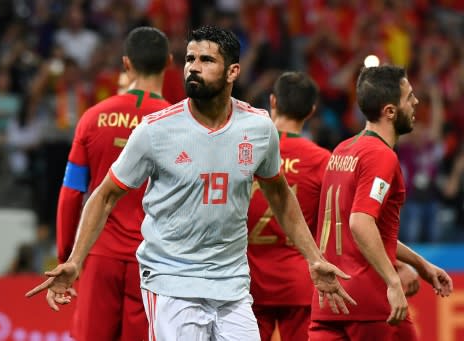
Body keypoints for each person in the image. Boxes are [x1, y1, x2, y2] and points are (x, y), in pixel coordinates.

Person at [26, 25, 356, 341]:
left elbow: (280, 195)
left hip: (233, 286)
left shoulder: (258, 129)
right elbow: (104, 195)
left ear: (233, 72)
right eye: (189, 59)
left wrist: (314, 258)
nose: (193, 68)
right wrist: (73, 259)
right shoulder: (156, 130)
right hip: (172, 282)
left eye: (206, 60)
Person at [308, 65, 453, 341]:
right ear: (390, 111)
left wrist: (422, 265)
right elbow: (361, 223)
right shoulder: (381, 157)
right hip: (370, 305)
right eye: (409, 97)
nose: (416, 103)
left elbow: (368, 230)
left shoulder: (343, 150)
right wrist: (393, 280)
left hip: (330, 303)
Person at [54, 27, 172, 341]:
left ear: (126, 64)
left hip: (98, 254)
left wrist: (68, 257)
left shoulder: (93, 118)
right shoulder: (178, 124)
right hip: (153, 261)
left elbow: (71, 194)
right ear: (169, 63)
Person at [247, 71, 330, 341]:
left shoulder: (245, 151)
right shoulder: (322, 161)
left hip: (249, 282)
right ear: (311, 111)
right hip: (300, 284)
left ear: (272, 101)